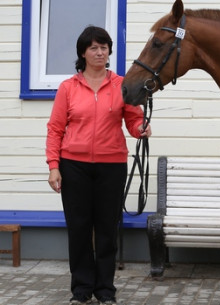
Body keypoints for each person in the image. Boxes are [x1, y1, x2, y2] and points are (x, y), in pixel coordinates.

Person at [46, 26, 151, 305]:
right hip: (73, 167)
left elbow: (132, 120)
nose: (99, 52)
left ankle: (105, 290)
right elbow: (55, 129)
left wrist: (141, 127)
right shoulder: (68, 88)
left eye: (104, 47)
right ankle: (81, 290)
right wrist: (53, 165)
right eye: (93, 47)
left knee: (106, 229)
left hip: (111, 165)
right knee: (79, 230)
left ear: (109, 51)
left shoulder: (122, 84)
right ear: (83, 52)